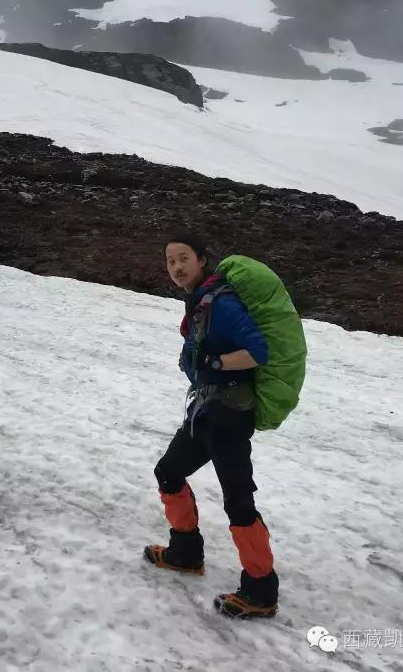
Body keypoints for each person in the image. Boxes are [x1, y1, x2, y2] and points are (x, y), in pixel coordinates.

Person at [143, 232, 279, 619]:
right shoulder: (201, 300)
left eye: (183, 258)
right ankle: (185, 554)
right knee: (168, 471)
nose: (176, 267)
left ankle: (261, 591)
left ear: (202, 260)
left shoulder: (222, 303)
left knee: (238, 499)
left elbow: (257, 351)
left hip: (229, 416)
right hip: (206, 412)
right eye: (170, 261)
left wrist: (215, 365)